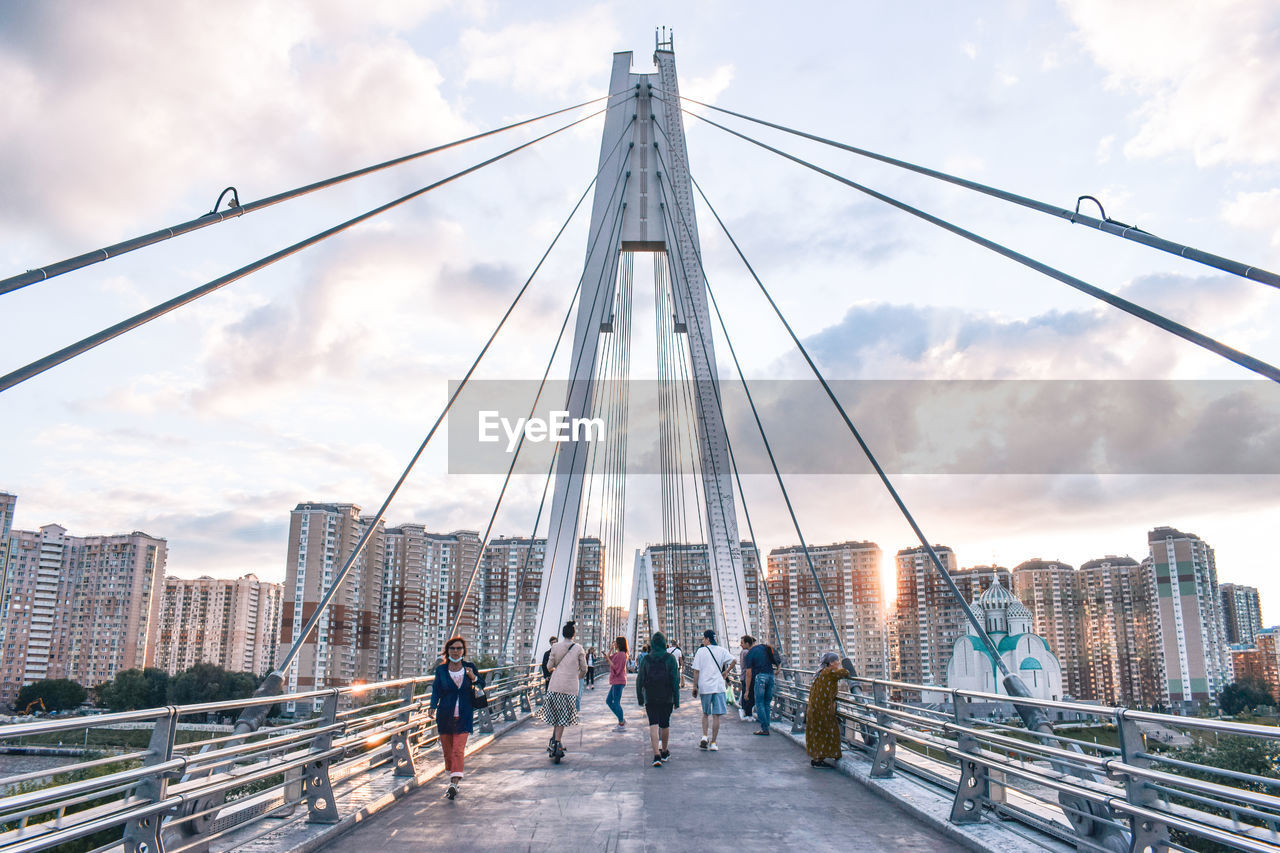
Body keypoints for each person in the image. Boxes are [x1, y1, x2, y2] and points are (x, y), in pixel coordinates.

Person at [429, 636, 486, 799]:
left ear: (463, 651)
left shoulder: (469, 667)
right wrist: (432, 706)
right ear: (448, 651)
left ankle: (454, 783)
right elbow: (436, 690)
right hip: (445, 715)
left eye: (459, 648)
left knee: (457, 750)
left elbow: (481, 684)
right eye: (452, 648)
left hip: (464, 714)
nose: (456, 651)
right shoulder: (441, 670)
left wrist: (472, 678)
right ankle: (453, 773)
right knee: (447, 751)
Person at [543, 621, 588, 762]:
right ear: (573, 634)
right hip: (570, 687)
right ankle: (557, 742)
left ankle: (555, 741)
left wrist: (556, 670)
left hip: (555, 685)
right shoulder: (579, 648)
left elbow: (549, 666)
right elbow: (584, 669)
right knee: (563, 716)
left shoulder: (555, 647)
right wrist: (576, 677)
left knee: (556, 714)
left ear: (563, 634)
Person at [636, 631, 680, 767]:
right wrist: (676, 700)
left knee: (653, 724)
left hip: (650, 696)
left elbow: (639, 680)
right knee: (665, 724)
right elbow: (675, 680)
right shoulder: (671, 659)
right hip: (667, 696)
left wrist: (640, 698)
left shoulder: (646, 659)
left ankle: (656, 755)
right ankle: (665, 751)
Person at [691, 629, 734, 751]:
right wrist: (726, 672)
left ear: (707, 639)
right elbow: (734, 661)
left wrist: (695, 686)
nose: (703, 641)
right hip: (719, 687)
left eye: (704, 639)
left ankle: (704, 736)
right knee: (716, 716)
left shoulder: (701, 651)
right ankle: (714, 743)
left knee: (705, 714)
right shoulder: (722, 650)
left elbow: (696, 671)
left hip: (705, 687)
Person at [807, 651, 852, 768]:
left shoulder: (820, 672)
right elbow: (845, 672)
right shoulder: (830, 672)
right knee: (827, 730)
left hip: (815, 706)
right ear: (831, 663)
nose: (838, 663)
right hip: (823, 708)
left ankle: (819, 756)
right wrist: (847, 666)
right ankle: (820, 758)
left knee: (819, 730)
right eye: (836, 661)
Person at [742, 637, 780, 736]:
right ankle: (766, 726)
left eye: (742, 643)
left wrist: (746, 691)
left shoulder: (750, 654)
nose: (741, 645)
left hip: (760, 677)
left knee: (759, 703)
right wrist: (778, 668)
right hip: (771, 676)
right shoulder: (764, 647)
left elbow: (749, 673)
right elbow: (776, 654)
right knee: (767, 703)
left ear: (747, 643)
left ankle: (764, 728)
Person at [605, 637, 628, 731]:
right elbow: (608, 658)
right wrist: (611, 648)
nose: (615, 643)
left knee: (616, 703)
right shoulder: (618, 654)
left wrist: (609, 661)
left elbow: (616, 669)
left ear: (619, 644)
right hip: (616, 681)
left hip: (618, 681)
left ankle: (621, 723)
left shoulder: (622, 655)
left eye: (616, 642)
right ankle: (621, 719)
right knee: (609, 701)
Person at [737, 635, 756, 721]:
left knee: (745, 694)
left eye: (742, 643)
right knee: (748, 695)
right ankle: (748, 714)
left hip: (743, 676)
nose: (740, 645)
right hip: (746, 677)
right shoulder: (746, 652)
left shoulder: (742, 652)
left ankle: (745, 712)